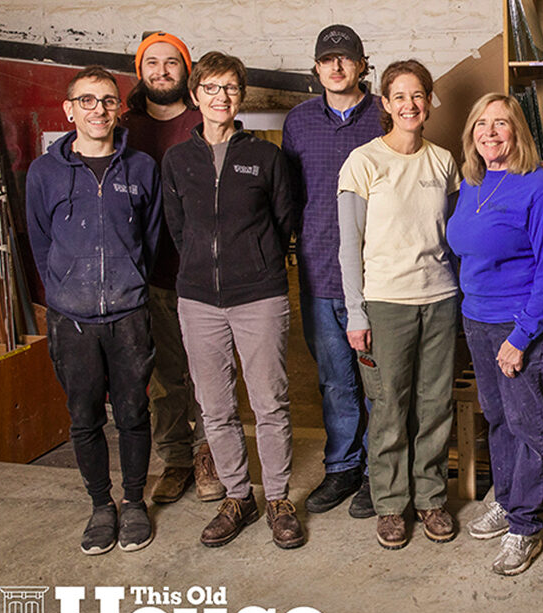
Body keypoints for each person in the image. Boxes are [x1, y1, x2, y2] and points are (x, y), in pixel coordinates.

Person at [162, 51, 305, 549]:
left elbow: (285, 220)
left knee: (270, 402)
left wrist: (255, 261)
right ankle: (238, 495)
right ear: (195, 95)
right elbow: (178, 228)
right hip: (198, 299)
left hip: (259, 296)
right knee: (215, 407)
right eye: (211, 88)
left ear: (240, 96)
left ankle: (279, 499)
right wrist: (204, 266)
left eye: (230, 88)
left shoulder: (266, 156)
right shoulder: (177, 160)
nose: (221, 97)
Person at [26, 66, 162, 555]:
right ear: (69, 109)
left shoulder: (142, 168)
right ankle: (101, 506)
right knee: (84, 417)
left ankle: (133, 505)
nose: (98, 109)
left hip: (128, 314)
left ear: (117, 108)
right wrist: (66, 291)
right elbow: (41, 242)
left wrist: (127, 282)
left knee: (132, 412)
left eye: (107, 101)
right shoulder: (44, 173)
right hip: (73, 319)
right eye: (87, 101)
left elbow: (148, 239)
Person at [338, 60, 460, 550]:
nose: (410, 105)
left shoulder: (444, 161)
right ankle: (390, 503)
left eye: (419, 95)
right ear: (385, 104)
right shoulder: (363, 162)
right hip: (386, 301)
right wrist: (355, 311)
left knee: (434, 406)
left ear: (429, 102)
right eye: (400, 96)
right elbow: (350, 245)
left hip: (440, 298)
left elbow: (454, 238)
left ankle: (431, 498)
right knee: (389, 407)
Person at [448, 93, 543, 575]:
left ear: (518, 131)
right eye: (481, 123)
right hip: (476, 319)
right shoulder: (473, 182)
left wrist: (521, 337)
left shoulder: (538, 188)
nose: (490, 132)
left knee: (531, 426)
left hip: (518, 324)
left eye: (501, 123)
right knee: (498, 419)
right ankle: (507, 498)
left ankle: (525, 526)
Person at [282, 25, 382, 519]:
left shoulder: (387, 113)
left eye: (346, 59)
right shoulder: (298, 122)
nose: (337, 67)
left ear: (363, 64)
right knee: (336, 381)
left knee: (379, 381)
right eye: (328, 60)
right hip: (321, 270)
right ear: (316, 68)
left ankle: (376, 474)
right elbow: (291, 196)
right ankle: (343, 466)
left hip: (380, 273)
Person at [120, 32, 224, 505]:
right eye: (152, 63)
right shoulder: (124, 129)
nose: (162, 71)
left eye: (171, 63)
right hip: (151, 275)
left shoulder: (206, 121)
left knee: (210, 373)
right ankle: (176, 458)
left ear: (187, 71)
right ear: (141, 71)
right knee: (164, 377)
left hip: (204, 274)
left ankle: (210, 456)